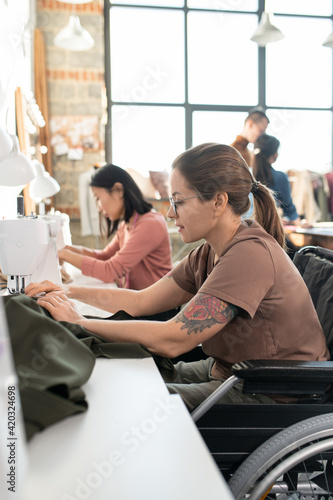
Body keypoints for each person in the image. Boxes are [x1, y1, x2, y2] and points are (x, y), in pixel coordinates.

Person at [26, 143, 329, 412]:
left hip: (273, 391)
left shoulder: (249, 255)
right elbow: (143, 300)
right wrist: (68, 291)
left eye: (179, 201)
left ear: (218, 202)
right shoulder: (210, 251)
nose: (171, 214)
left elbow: (173, 339)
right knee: (120, 373)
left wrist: (78, 323)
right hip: (231, 371)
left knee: (129, 400)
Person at [58, 164, 173, 290]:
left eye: (98, 198)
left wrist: (65, 255)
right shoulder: (126, 225)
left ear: (118, 190)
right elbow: (105, 256)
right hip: (143, 302)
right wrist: (70, 249)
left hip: (159, 306)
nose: (98, 208)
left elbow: (110, 271)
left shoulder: (150, 224)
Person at [252, 134, 308, 226]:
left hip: (241, 230)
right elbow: (289, 208)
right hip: (266, 232)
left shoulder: (245, 175)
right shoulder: (279, 177)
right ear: (275, 154)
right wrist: (300, 223)